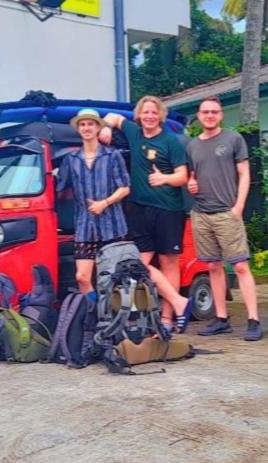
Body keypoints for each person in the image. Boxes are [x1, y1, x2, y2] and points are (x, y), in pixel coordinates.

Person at [101, 96, 193, 334]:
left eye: (154, 113)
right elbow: (112, 117)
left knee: (168, 262)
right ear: (139, 115)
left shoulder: (171, 142)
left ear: (160, 115)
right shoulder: (134, 132)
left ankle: (167, 317)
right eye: (145, 113)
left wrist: (164, 178)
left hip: (169, 210)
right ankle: (178, 302)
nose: (150, 117)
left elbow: (182, 176)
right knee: (137, 264)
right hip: (140, 209)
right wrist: (105, 129)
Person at [186, 96, 263, 341]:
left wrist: (238, 206)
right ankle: (221, 319)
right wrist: (190, 183)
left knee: (240, 266)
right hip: (201, 214)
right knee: (212, 266)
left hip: (226, 212)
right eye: (205, 112)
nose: (209, 115)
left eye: (214, 112)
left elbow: (244, 174)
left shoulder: (233, 139)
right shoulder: (192, 146)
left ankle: (254, 321)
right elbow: (191, 176)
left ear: (221, 115)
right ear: (199, 116)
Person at [57, 108, 130, 297]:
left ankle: (115, 319)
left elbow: (125, 187)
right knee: (82, 277)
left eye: (90, 123)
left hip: (112, 225)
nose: (86, 127)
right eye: (82, 124)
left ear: (98, 127)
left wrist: (104, 203)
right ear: (78, 129)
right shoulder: (71, 160)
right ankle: (96, 312)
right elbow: (59, 187)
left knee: (114, 277)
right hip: (84, 225)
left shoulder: (112, 155)